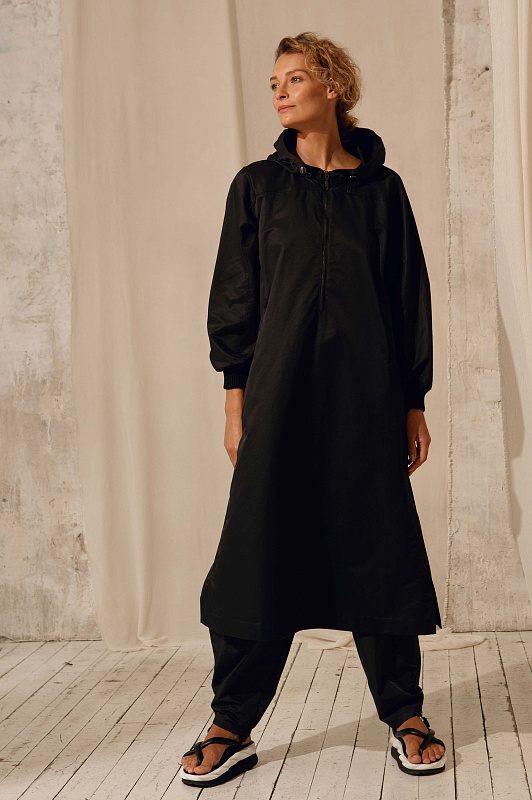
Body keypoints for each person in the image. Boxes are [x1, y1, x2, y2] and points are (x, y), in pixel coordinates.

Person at [180, 32, 446, 788]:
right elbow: (235, 296)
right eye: (273, 82)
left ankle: (404, 713)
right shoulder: (258, 187)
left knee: (378, 545)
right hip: (279, 394)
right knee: (257, 549)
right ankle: (231, 721)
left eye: (294, 79)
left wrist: (413, 402)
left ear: (333, 87)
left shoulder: (382, 191)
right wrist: (235, 403)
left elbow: (407, 298)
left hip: (367, 399)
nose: (278, 91)